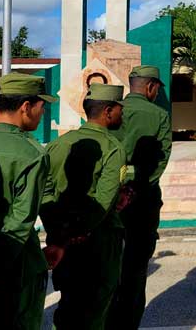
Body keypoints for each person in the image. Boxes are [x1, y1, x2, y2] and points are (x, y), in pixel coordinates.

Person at [41, 83, 128, 330]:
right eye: (120, 109)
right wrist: (80, 231)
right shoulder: (113, 149)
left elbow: (45, 192)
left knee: (68, 309)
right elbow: (104, 200)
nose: (122, 114)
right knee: (94, 313)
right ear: (108, 111)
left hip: (61, 241)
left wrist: (59, 232)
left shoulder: (59, 144)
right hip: (98, 243)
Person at [0, 73, 56, 330]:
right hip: (13, 266)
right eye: (42, 107)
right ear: (26, 107)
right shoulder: (31, 153)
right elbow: (21, 220)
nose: (42, 114)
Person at [107, 66, 172, 330]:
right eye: (157, 89)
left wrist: (117, 187)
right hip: (142, 200)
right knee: (134, 271)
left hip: (109, 198)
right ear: (150, 87)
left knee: (108, 265)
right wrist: (137, 187)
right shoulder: (158, 115)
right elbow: (161, 158)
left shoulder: (110, 111)